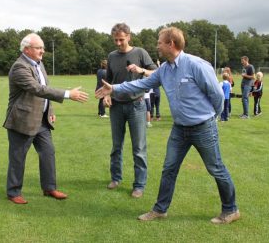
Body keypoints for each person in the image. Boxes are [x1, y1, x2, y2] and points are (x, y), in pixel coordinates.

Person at [96, 27, 240, 224]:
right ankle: (160, 209)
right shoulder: (164, 69)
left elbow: (217, 96)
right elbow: (140, 85)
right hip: (179, 129)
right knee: (169, 169)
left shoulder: (196, 65)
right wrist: (114, 88)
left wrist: (210, 118)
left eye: (160, 42)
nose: (157, 46)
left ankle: (231, 210)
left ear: (171, 44)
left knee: (216, 168)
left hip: (203, 128)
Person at [3, 33, 88, 204]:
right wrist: (68, 94)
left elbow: (45, 89)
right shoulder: (20, 67)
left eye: (42, 47)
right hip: (22, 120)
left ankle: (49, 188)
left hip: (42, 120)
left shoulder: (39, 64)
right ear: (27, 49)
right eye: (39, 47)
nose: (43, 51)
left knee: (48, 153)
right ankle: (13, 192)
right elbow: (37, 89)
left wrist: (50, 110)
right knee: (18, 157)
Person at [104, 23, 157, 198]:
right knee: (116, 146)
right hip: (117, 107)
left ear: (129, 37)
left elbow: (156, 74)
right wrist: (107, 95)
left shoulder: (140, 53)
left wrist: (141, 69)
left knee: (139, 148)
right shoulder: (112, 56)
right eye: (115, 40)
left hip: (137, 105)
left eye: (121, 39)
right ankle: (115, 177)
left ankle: (139, 185)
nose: (118, 43)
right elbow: (109, 81)